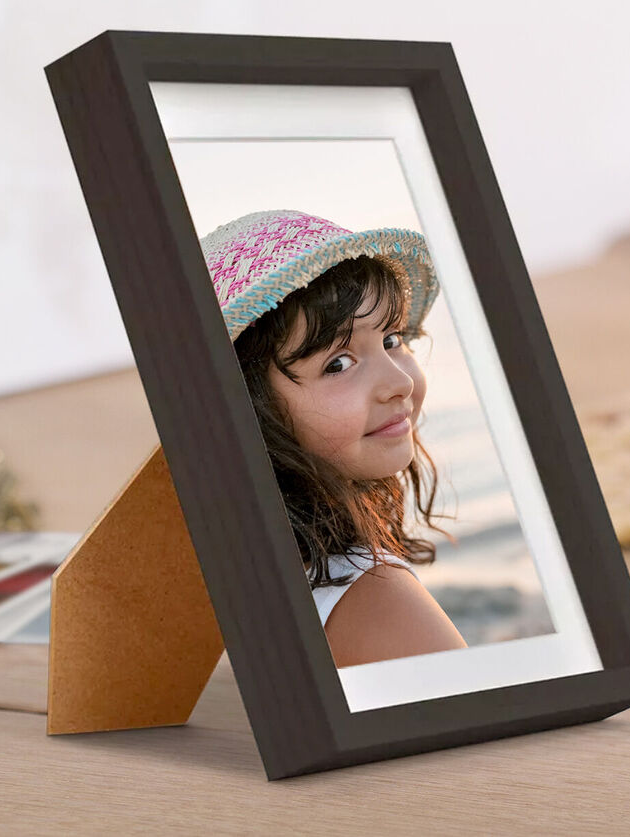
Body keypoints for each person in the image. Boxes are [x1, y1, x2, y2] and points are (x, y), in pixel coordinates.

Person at [200, 209, 468, 668]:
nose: (398, 382)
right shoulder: (378, 604)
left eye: (391, 339)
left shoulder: (243, 577)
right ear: (251, 411)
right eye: (338, 364)